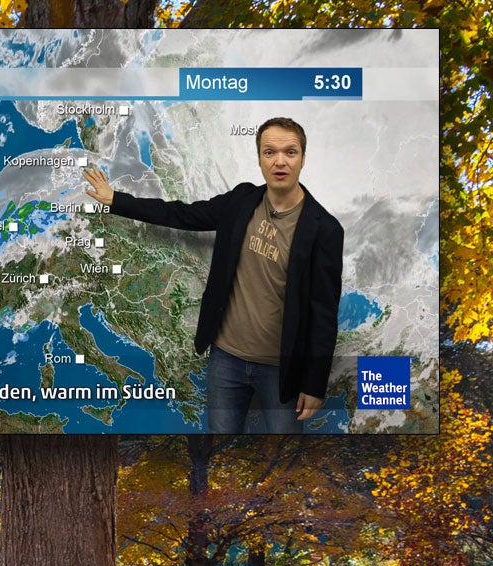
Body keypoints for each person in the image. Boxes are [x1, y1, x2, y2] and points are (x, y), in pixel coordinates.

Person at [83, 117, 343, 434]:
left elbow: (323, 314)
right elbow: (182, 214)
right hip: (226, 360)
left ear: (302, 158)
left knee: (283, 457)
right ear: (259, 158)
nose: (280, 161)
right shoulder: (242, 200)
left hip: (281, 370)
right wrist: (116, 200)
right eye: (269, 152)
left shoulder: (325, 229)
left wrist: (314, 384)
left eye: (290, 152)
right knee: (221, 452)